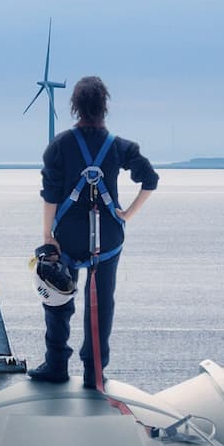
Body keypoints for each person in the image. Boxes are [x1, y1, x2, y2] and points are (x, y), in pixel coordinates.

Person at [29, 76, 159, 387]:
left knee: (58, 297)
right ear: (105, 106)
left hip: (67, 236)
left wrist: (48, 236)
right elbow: (150, 180)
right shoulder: (120, 147)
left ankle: (57, 364)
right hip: (109, 238)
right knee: (102, 302)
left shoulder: (59, 145)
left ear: (74, 107)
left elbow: (50, 193)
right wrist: (126, 214)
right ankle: (94, 371)